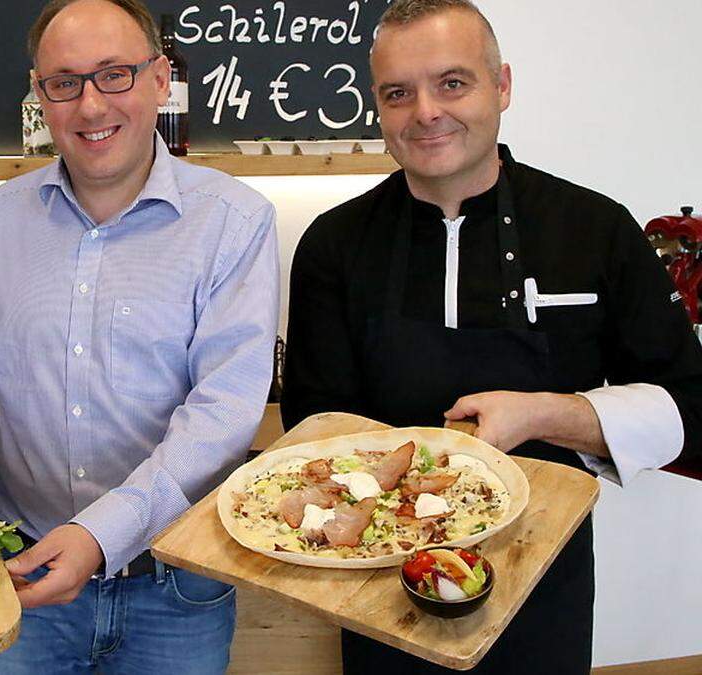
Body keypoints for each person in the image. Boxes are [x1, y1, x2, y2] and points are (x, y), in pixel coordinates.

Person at [281, 0, 702, 673]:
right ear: (379, 108)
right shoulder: (334, 245)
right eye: (398, 93)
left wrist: (548, 412)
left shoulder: (593, 229)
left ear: (502, 85)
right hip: (377, 585)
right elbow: (313, 426)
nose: (425, 112)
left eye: (452, 82)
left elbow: (693, 408)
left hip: (540, 574)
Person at [0, 0, 279, 671]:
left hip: (176, 583)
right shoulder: (1, 217)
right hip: (17, 574)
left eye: (114, 74)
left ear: (159, 80)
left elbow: (222, 416)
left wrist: (101, 534)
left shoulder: (234, 222)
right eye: (64, 82)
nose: (91, 106)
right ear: (41, 96)